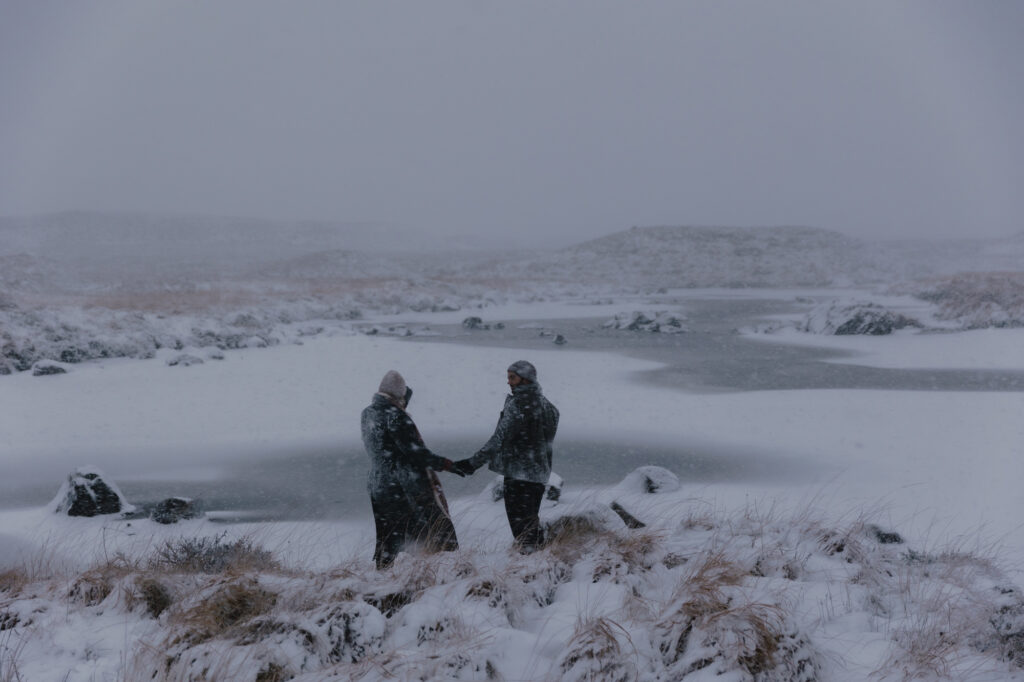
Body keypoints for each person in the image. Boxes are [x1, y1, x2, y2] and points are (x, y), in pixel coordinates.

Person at [361, 370, 464, 569]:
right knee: (439, 529)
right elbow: (415, 453)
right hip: (404, 486)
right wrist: (446, 464)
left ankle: (385, 572)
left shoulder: (367, 413)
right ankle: (449, 568)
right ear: (399, 396)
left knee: (389, 535)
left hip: (379, 485)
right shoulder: (396, 416)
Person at [453, 360, 559, 552]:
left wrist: (472, 463)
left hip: (518, 475)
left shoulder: (519, 404)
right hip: (539, 475)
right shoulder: (548, 406)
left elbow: (498, 440)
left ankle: (530, 562)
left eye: (512, 377)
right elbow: (545, 441)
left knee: (521, 530)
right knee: (531, 523)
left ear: (525, 379)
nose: (508, 382)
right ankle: (538, 559)